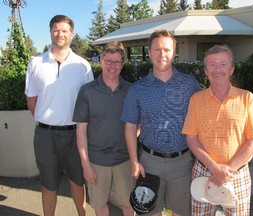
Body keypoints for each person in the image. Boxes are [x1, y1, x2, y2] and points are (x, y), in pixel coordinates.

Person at [121, 29, 202, 216]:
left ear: (174, 52)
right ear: (149, 52)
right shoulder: (138, 89)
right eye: (156, 49)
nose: (162, 54)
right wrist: (134, 161)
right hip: (149, 163)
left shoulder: (189, 84)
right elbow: (130, 126)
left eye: (166, 49)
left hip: (182, 163)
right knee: (149, 212)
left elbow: (206, 111)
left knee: (182, 212)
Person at [182, 44, 253, 216]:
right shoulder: (196, 100)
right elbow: (191, 138)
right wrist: (214, 168)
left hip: (236, 173)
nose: (217, 69)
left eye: (223, 64)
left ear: (232, 69)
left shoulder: (246, 98)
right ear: (205, 70)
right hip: (203, 172)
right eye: (212, 65)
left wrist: (227, 171)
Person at [25, 15, 94, 216]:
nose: (60, 34)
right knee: (48, 183)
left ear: (71, 33)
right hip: (45, 136)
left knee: (78, 180)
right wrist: (47, 120)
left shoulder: (82, 65)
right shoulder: (36, 62)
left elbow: (88, 102)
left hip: (76, 135)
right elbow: (32, 101)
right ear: (50, 32)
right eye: (56, 29)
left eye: (65, 30)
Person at [73, 41, 135, 216]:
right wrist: (85, 165)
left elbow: (139, 124)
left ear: (122, 64)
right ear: (101, 61)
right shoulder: (86, 92)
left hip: (124, 160)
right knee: (100, 205)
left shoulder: (131, 90)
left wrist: (133, 153)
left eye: (117, 62)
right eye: (108, 61)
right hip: (96, 161)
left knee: (128, 204)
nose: (112, 66)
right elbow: (81, 132)